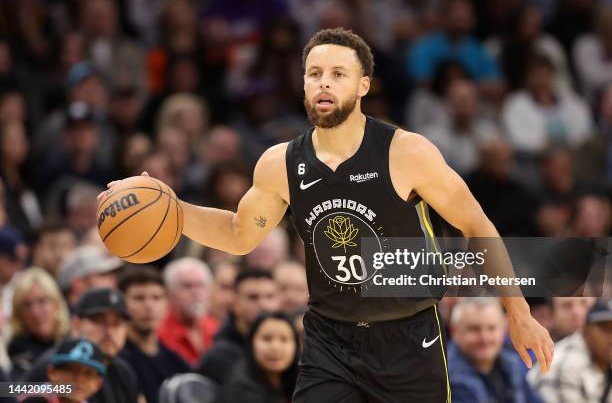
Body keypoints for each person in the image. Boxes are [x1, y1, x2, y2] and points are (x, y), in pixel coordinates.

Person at [103, 27, 553, 402]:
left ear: (363, 85)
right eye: (314, 73)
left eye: (338, 74)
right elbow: (240, 234)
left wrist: (518, 313)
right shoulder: (279, 163)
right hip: (329, 341)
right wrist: (170, 209)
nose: (324, 82)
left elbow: (478, 226)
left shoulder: (406, 152)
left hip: (409, 336)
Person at [24, 288, 140, 403]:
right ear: (76, 325)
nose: (109, 331)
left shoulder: (124, 372)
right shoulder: (54, 363)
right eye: (99, 321)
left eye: (117, 323)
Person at [448, 298, 543, 403]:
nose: (484, 338)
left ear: (503, 329)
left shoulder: (513, 365)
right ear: (455, 331)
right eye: (474, 329)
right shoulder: (445, 375)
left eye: (491, 328)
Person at [118, 266, 190, 403]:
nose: (149, 305)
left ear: (167, 305)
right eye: (139, 298)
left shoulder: (175, 360)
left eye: (156, 298)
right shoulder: (117, 360)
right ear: (122, 305)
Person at [198, 268, 280, 385]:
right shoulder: (219, 358)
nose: (263, 304)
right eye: (253, 297)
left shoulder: (288, 349)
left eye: (270, 296)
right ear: (235, 304)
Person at [528, 299, 612, 403]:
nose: (610, 338)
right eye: (605, 329)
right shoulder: (564, 364)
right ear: (585, 330)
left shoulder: (602, 359)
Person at [215, 312, 299, 403]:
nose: (275, 347)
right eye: (267, 338)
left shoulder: (301, 381)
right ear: (251, 343)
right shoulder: (239, 390)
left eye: (284, 339)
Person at [8, 268, 70, 379]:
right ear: (19, 315)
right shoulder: (18, 351)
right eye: (27, 305)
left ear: (56, 304)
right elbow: (9, 391)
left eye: (42, 301)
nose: (35, 312)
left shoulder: (73, 340)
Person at [157, 257, 219, 365]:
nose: (195, 293)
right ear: (169, 292)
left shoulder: (215, 328)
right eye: (187, 286)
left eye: (200, 285)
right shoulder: (158, 332)